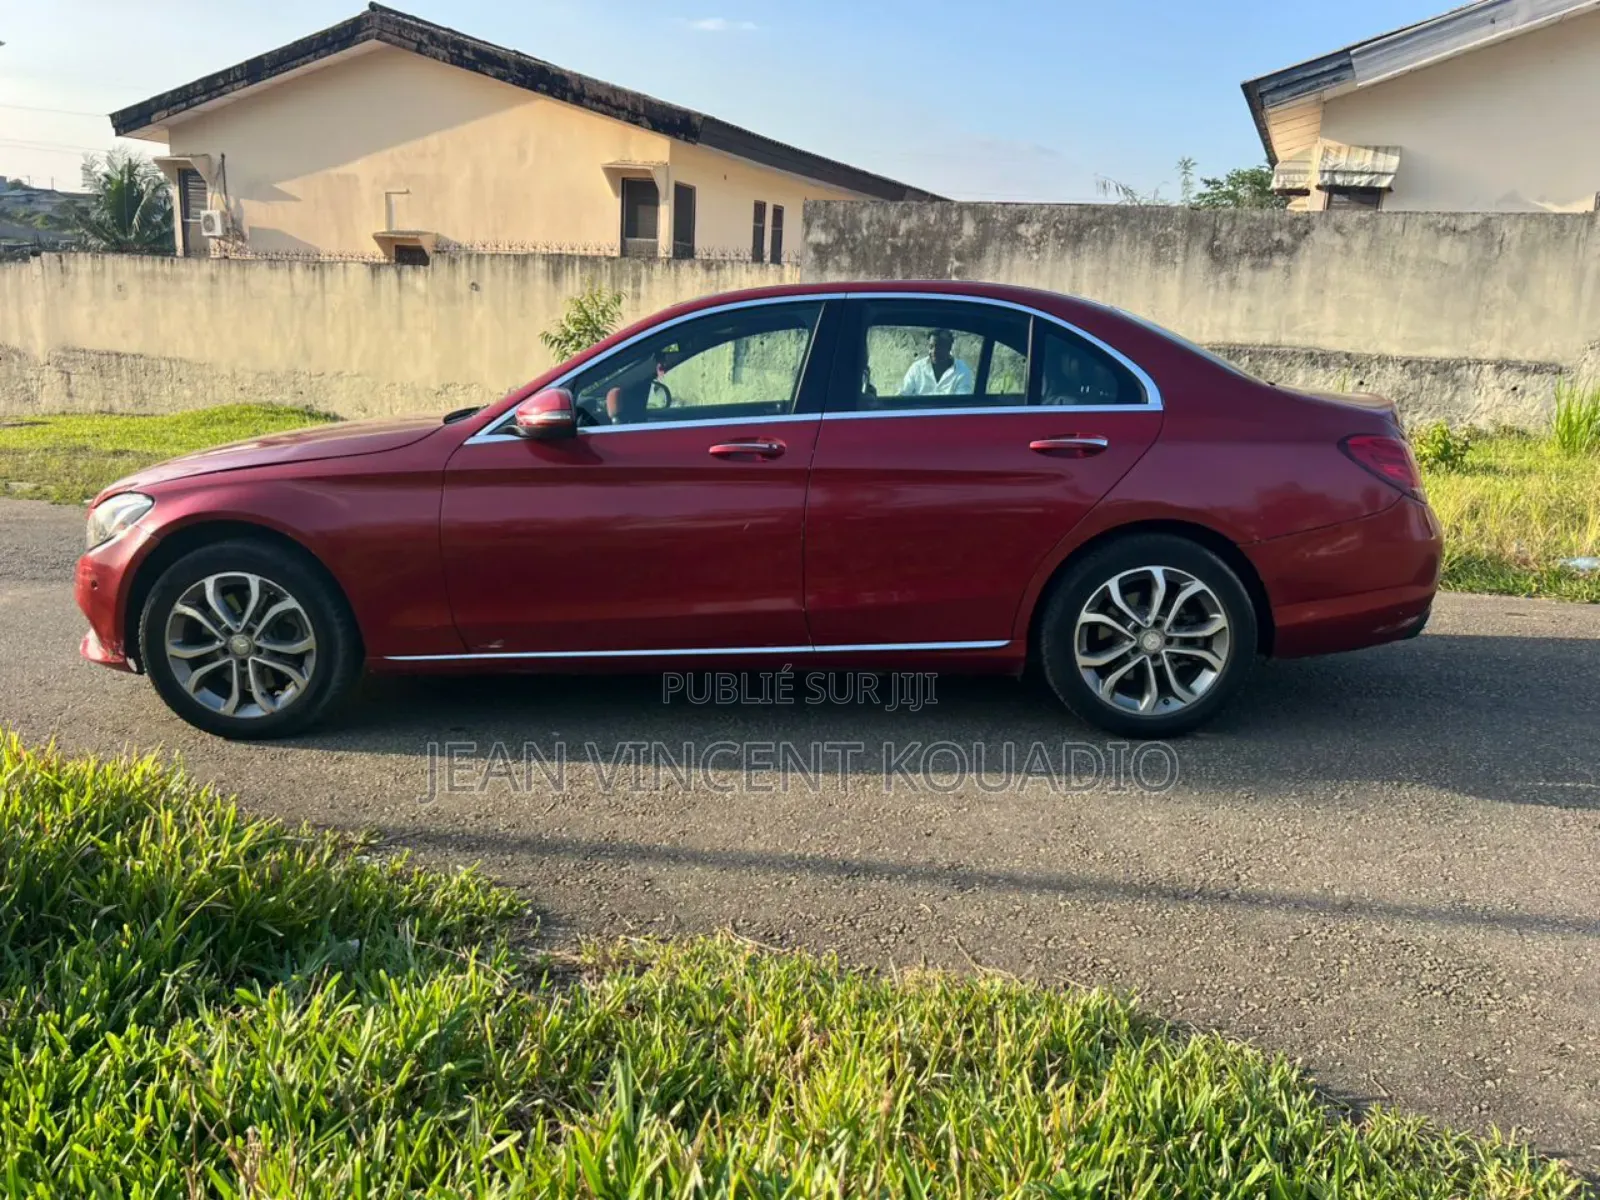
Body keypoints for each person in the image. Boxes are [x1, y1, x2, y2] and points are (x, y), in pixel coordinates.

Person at [900, 329, 973, 396]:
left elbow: (961, 405)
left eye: (939, 347)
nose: (934, 351)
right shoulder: (917, 368)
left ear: (949, 347)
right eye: (931, 347)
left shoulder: (962, 372)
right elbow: (903, 395)